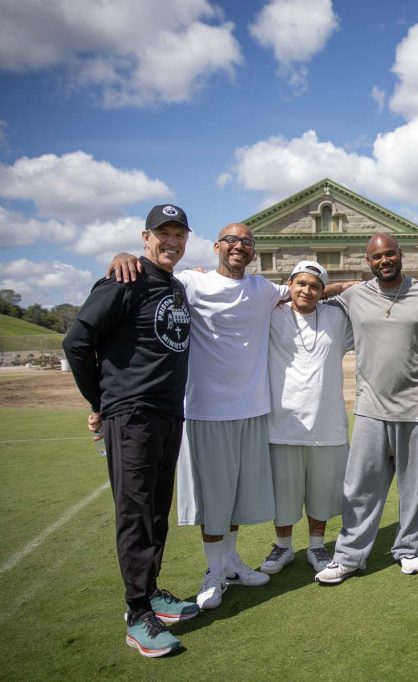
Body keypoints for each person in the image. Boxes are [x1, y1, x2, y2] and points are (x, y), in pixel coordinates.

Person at [108, 223, 287, 611]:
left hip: (253, 409)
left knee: (237, 498)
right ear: (217, 246)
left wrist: (357, 287)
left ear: (253, 251)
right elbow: (150, 272)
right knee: (213, 501)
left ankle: (232, 562)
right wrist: (124, 258)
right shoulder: (189, 283)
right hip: (206, 412)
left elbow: (309, 288)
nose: (239, 247)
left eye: (246, 242)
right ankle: (213, 572)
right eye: (232, 241)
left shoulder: (265, 290)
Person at [63, 204, 198, 658]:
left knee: (157, 509)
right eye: (164, 234)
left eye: (179, 234)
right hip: (132, 415)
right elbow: (77, 341)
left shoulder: (174, 287)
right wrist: (101, 404)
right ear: (146, 237)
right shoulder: (124, 280)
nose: (172, 242)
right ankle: (137, 611)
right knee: (135, 512)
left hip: (167, 414)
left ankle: (152, 592)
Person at [260, 261, 354, 576]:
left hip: (327, 426)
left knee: (322, 493)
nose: (307, 290)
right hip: (282, 424)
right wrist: (336, 286)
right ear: (289, 284)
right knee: (283, 495)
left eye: (315, 286)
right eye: (301, 283)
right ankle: (283, 547)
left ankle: (316, 544)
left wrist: (341, 288)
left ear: (321, 291)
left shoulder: (336, 317)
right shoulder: (272, 315)